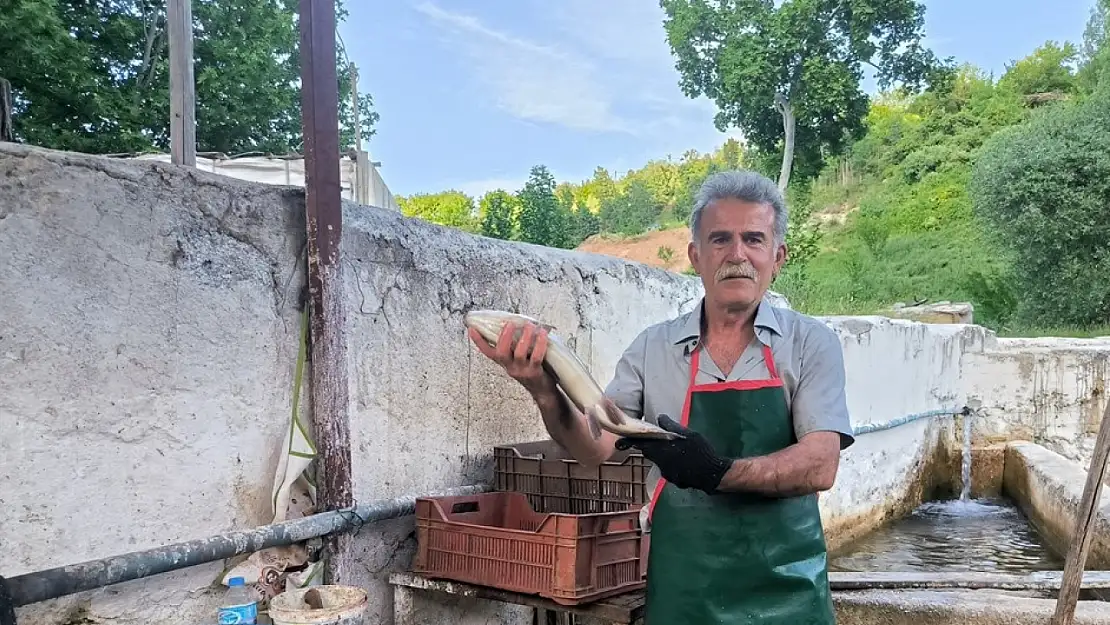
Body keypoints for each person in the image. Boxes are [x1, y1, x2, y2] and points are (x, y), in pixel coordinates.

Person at [467, 169, 854, 625]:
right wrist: (543, 390)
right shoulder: (653, 348)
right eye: (719, 239)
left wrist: (716, 473)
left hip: (788, 596)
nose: (737, 254)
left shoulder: (811, 343)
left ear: (778, 255)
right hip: (684, 594)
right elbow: (594, 448)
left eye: (754, 239)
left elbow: (820, 463)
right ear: (695, 255)